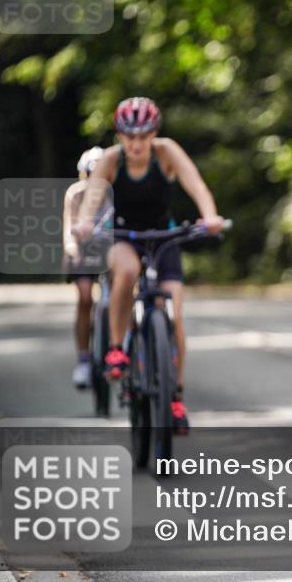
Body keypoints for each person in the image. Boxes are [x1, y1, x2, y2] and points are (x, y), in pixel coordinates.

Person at [79, 97, 225, 435]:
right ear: (119, 135)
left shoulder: (166, 153)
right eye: (129, 136)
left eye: (143, 136)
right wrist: (85, 223)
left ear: (153, 133)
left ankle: (175, 395)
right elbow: (92, 199)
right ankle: (117, 349)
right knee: (126, 272)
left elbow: (196, 184)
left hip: (164, 236)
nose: (136, 143)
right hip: (124, 234)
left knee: (173, 311)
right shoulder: (112, 161)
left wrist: (210, 216)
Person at [62, 147, 106, 390]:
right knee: (86, 297)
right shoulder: (75, 194)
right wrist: (73, 251)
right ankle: (83, 359)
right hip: (83, 252)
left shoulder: (114, 194)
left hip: (111, 250)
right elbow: (68, 231)